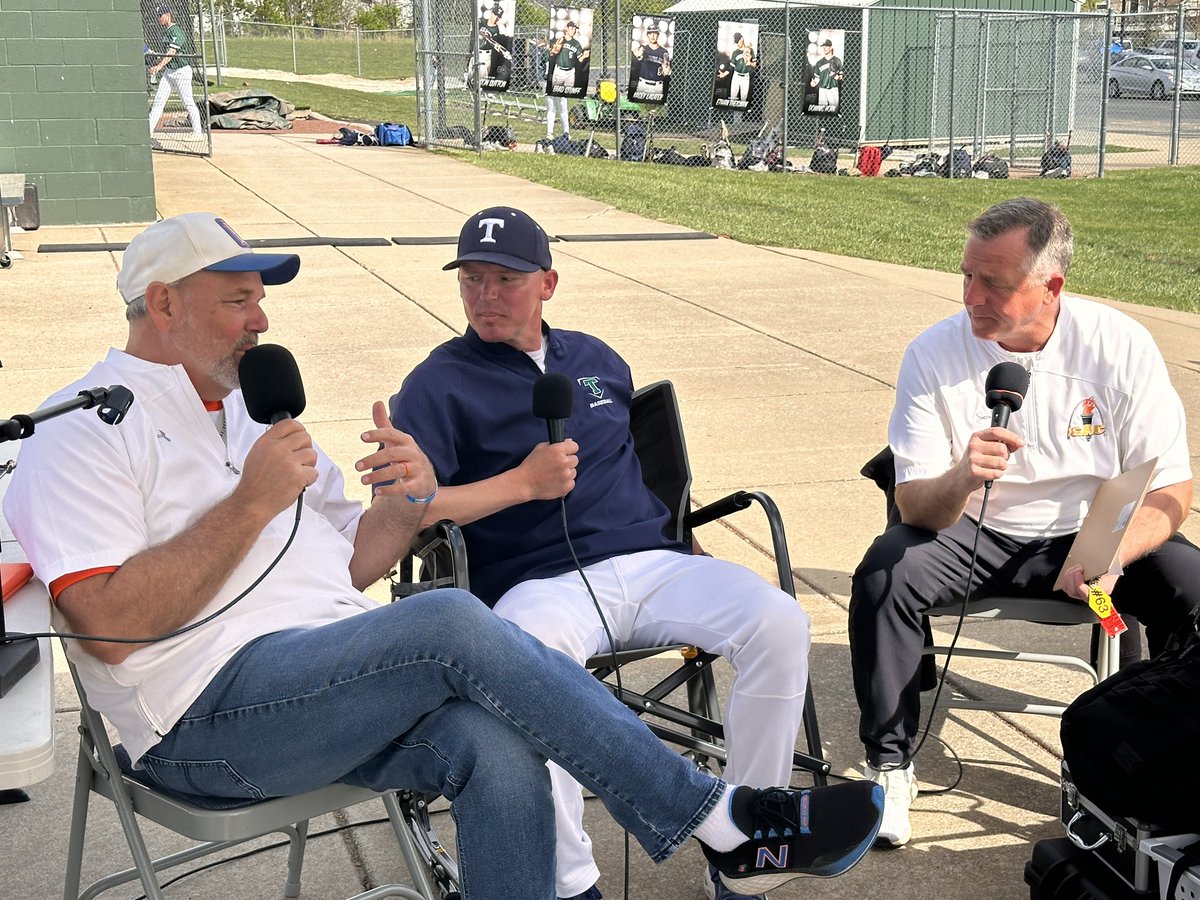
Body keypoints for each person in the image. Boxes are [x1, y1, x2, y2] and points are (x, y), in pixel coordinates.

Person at [5, 212, 884, 900]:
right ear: (164, 304)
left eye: (259, 297)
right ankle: (717, 816)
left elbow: (354, 563)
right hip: (201, 725)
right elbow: (111, 629)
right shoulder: (80, 428)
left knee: (494, 744)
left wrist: (407, 503)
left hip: (324, 690)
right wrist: (248, 504)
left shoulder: (252, 413)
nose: (261, 317)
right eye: (237, 299)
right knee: (450, 622)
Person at [388, 207, 816, 900]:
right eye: (471, 279)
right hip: (536, 582)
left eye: (505, 279)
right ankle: (567, 881)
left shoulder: (598, 359)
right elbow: (410, 517)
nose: (486, 296)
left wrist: (696, 550)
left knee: (780, 622)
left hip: (654, 562)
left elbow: (643, 472)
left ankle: (748, 854)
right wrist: (520, 484)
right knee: (533, 672)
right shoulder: (437, 384)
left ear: (548, 283)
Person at [849, 197, 1200, 849]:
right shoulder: (932, 354)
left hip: (1093, 539)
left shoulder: (1118, 345)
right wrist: (960, 477)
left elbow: (1172, 486)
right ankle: (891, 765)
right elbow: (914, 508)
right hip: (975, 533)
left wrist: (1114, 553)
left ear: (1051, 285)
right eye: (966, 276)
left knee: (1193, 584)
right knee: (884, 571)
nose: (971, 296)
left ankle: (1170, 753)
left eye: (994, 284)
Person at [147, 4, 202, 138]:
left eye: (160, 15)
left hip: (181, 71)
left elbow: (171, 52)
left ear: (168, 15)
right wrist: (157, 61)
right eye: (157, 15)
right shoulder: (165, 31)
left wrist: (159, 66)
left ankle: (197, 133)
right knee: (158, 101)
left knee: (188, 102)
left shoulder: (176, 31)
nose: (158, 18)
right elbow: (166, 53)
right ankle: (148, 132)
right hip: (169, 72)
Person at [631, 25, 671, 103]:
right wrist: (639, 56)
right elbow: (638, 60)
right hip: (643, 83)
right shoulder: (643, 48)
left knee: (655, 108)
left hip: (657, 85)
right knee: (641, 106)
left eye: (655, 33)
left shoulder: (663, 52)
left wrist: (666, 70)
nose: (652, 35)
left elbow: (666, 70)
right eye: (650, 33)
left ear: (658, 35)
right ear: (647, 35)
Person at [549, 21, 589, 96]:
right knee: (555, 93)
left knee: (567, 95)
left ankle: (564, 108)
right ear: (566, 28)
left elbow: (579, 59)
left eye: (575, 29)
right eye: (572, 28)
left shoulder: (576, 44)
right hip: (559, 71)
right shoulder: (560, 40)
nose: (574, 30)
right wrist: (552, 51)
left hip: (570, 73)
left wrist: (584, 56)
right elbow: (552, 53)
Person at [809, 39, 842, 111]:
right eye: (823, 46)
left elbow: (842, 75)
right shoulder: (819, 63)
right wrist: (814, 83)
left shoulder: (837, 61)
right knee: (821, 111)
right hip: (822, 90)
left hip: (833, 89)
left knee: (834, 110)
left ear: (830, 47)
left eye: (826, 46)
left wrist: (839, 77)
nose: (824, 48)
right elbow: (817, 78)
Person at [728, 32, 756, 103]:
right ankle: (733, 113)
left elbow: (755, 65)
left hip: (746, 77)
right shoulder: (735, 52)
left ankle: (740, 114)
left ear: (742, 39)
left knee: (744, 97)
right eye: (736, 42)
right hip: (736, 76)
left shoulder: (750, 50)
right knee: (733, 97)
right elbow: (731, 67)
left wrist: (750, 63)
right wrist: (724, 74)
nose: (737, 44)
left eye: (738, 41)